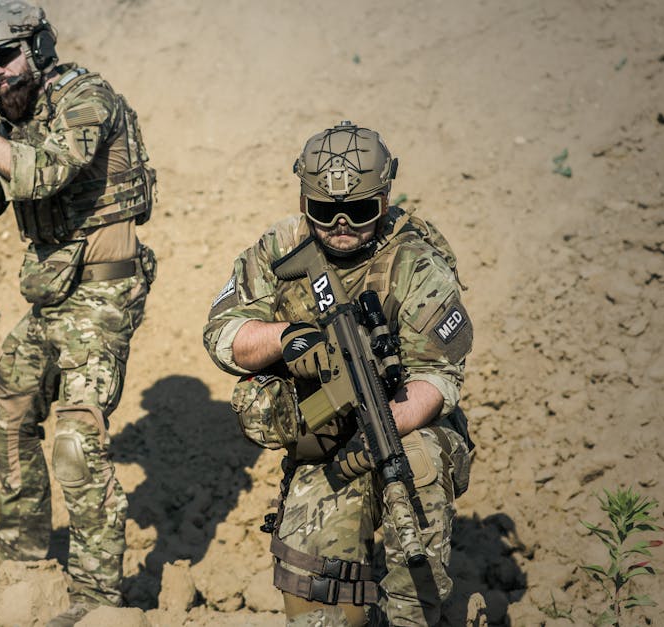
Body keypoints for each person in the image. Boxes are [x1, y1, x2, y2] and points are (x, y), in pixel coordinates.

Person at [0, 1, 156, 624]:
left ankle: (97, 599)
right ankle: (23, 550)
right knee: (8, 416)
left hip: (104, 289)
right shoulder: (11, 113)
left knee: (78, 441)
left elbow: (42, 175)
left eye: (5, 57)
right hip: (53, 294)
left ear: (40, 47)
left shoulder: (87, 99)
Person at [202, 122, 473, 626]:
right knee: (315, 597)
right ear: (305, 201)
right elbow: (223, 334)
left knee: (417, 468)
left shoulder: (414, 261)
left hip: (405, 424)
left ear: (386, 198)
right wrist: (287, 337)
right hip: (323, 436)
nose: (342, 223)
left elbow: (435, 379)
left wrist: (384, 430)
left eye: (361, 210)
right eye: (324, 212)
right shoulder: (281, 246)